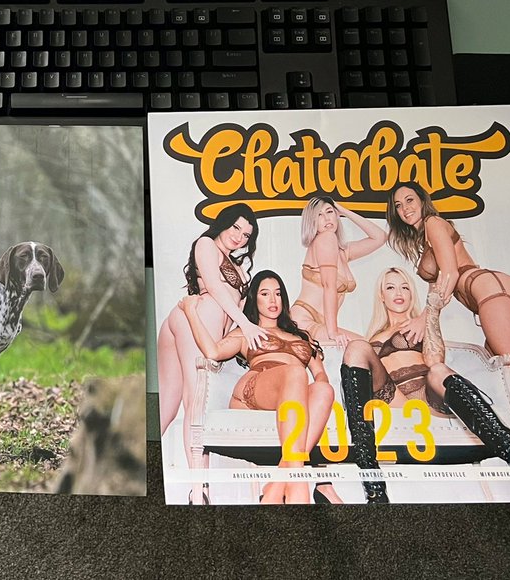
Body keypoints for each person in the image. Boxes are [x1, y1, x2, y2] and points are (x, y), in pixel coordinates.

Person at [385, 181, 510, 502]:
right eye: (398, 205)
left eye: (410, 200)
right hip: (494, 292)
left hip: (489, 291)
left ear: (422, 201)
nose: (405, 208)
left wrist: (424, 316)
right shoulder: (425, 237)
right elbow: (440, 280)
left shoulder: (434, 222)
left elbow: (450, 274)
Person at [340, 265, 510, 503]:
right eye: (391, 287)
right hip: (396, 400)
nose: (399, 293)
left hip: (429, 397)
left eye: (405, 287)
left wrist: (430, 316)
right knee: (356, 348)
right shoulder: (371, 337)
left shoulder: (420, 323)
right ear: (381, 295)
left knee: (438, 370)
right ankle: (373, 486)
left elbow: (435, 360)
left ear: (412, 294)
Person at [180, 270, 337, 505]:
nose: (273, 300)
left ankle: (276, 487)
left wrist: (321, 388)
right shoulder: (246, 331)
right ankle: (298, 486)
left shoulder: (301, 337)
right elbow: (212, 352)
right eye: (265, 294)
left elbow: (320, 374)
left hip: (292, 392)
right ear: (255, 299)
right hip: (258, 388)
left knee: (324, 390)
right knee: (296, 372)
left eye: (277, 294)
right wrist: (190, 311)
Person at [156, 203, 265, 505]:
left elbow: (236, 311)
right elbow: (215, 288)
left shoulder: (240, 268)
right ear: (224, 223)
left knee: (172, 406)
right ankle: (198, 490)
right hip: (196, 318)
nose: (239, 237)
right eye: (236, 227)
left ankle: (196, 487)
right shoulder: (206, 244)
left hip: (206, 328)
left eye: (246, 235)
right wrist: (245, 324)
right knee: (193, 403)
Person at [292, 196, 387, 345]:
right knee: (364, 346)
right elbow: (329, 285)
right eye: (319, 215)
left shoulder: (342, 252)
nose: (326, 218)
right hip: (304, 321)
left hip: (318, 323)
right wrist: (333, 332)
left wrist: (343, 211)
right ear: (312, 221)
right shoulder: (326, 238)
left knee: (368, 346)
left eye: (330, 212)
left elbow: (380, 237)